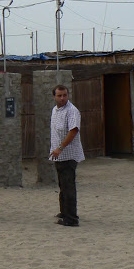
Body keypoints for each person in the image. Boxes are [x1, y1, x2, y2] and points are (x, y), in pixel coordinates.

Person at [49, 84, 85, 227]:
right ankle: (64, 211)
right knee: (62, 185)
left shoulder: (72, 111)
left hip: (69, 154)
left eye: (64, 95)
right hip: (58, 155)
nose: (62, 98)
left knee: (68, 186)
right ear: (54, 97)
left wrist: (61, 147)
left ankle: (71, 218)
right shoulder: (55, 110)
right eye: (59, 95)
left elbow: (73, 130)